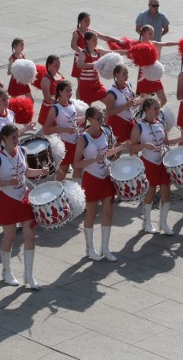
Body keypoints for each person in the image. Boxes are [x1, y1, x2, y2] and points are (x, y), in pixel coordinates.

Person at [0, 124, 48, 289]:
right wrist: (6, 182)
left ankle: (29, 274)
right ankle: (6, 271)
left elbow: (26, 171)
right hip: (8, 199)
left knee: (30, 236)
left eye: (17, 137)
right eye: (13, 137)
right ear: (4, 139)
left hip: (24, 197)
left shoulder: (21, 150)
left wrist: (41, 170)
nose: (16, 140)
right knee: (10, 237)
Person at [74, 106, 129, 261]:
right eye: (98, 118)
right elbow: (77, 164)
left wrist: (121, 147)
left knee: (108, 212)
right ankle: (89, 248)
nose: (102, 121)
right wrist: (94, 160)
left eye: (102, 118)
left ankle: (105, 248)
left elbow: (105, 153)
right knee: (91, 213)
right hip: (91, 178)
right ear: (90, 120)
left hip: (105, 176)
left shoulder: (104, 132)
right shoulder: (82, 138)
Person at [130, 98, 183, 235]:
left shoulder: (161, 123)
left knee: (166, 192)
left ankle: (163, 223)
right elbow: (132, 147)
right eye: (155, 109)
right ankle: (147, 222)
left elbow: (166, 142)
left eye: (158, 109)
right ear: (147, 109)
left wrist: (180, 139)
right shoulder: (139, 126)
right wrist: (144, 145)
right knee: (150, 192)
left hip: (162, 161)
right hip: (149, 162)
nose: (158, 111)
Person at [0, 90, 35, 222]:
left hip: (12, 153)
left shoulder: (11, 114)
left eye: (7, 98)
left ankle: (14, 212)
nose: (7, 101)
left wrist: (25, 129)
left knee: (13, 182)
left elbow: (13, 134)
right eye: (4, 99)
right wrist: (2, 140)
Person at [70, 12, 118, 99]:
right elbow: (73, 45)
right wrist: (82, 51)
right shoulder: (76, 33)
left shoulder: (91, 31)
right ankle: (78, 102)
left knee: (89, 79)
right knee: (80, 83)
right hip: (80, 59)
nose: (88, 22)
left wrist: (116, 40)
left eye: (89, 20)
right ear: (80, 21)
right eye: (85, 20)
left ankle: (88, 98)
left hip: (90, 57)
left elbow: (103, 37)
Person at [43, 80, 81, 182]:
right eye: (67, 91)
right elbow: (46, 129)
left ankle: (76, 191)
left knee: (78, 168)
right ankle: (57, 192)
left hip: (76, 141)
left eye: (71, 90)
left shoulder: (71, 103)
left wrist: (84, 118)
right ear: (60, 92)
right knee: (63, 171)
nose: (70, 93)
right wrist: (64, 130)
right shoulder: (55, 108)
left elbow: (72, 120)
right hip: (65, 144)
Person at [77, 32, 125, 105]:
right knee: (86, 108)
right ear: (87, 41)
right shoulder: (83, 53)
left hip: (96, 84)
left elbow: (111, 52)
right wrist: (94, 64)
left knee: (110, 102)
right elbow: (79, 65)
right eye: (93, 40)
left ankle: (110, 115)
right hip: (85, 86)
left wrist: (128, 52)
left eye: (96, 40)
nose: (96, 42)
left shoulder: (98, 51)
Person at [135, 25, 178, 106]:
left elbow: (165, 43)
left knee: (164, 100)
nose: (152, 36)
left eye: (153, 34)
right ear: (143, 33)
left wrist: (178, 43)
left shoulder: (152, 43)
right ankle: (143, 116)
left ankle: (155, 113)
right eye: (150, 34)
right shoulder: (138, 46)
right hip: (144, 76)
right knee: (144, 103)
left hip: (154, 75)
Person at [104, 64, 145, 143]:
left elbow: (131, 102)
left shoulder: (128, 85)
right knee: (118, 149)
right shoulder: (111, 93)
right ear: (116, 74)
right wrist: (126, 106)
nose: (127, 75)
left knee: (134, 144)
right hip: (118, 123)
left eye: (127, 73)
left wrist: (143, 100)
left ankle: (133, 156)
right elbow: (108, 112)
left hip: (130, 120)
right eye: (124, 73)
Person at [37, 55, 64, 126]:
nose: (58, 67)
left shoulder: (59, 75)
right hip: (49, 109)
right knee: (49, 132)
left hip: (59, 106)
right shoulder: (46, 79)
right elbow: (47, 98)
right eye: (56, 66)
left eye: (59, 65)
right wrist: (60, 102)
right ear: (49, 65)